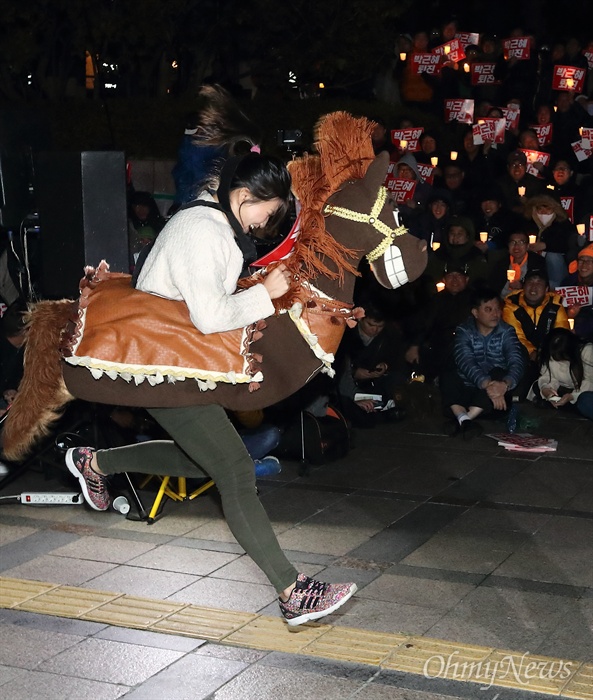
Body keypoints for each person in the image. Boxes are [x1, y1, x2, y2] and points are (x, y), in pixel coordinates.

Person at [64, 87, 357, 628]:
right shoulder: (204, 231)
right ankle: (292, 591)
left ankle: (94, 462)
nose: (258, 228)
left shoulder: (210, 220)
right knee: (235, 473)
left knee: (202, 462)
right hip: (166, 367)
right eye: (260, 218)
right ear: (241, 196)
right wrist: (265, 294)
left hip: (171, 366)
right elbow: (207, 316)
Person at [440, 287, 524, 439]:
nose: (495, 314)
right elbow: (465, 361)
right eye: (488, 309)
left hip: (495, 399)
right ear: (475, 312)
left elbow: (516, 361)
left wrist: (504, 385)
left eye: (497, 309)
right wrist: (487, 384)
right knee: (448, 373)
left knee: (499, 372)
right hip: (470, 391)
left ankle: (463, 419)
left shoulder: (506, 332)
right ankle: (465, 420)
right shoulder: (464, 331)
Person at [336, 305, 407, 427]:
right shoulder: (346, 334)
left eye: (380, 326)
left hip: (375, 383)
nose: (375, 330)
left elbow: (398, 359)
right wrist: (355, 372)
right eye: (371, 325)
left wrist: (385, 366)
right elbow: (341, 370)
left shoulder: (390, 334)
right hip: (349, 384)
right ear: (360, 319)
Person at [503, 267, 570, 396]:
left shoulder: (556, 306)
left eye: (539, 283)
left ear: (546, 289)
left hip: (550, 356)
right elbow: (515, 336)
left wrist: (546, 354)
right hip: (524, 356)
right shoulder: (511, 306)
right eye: (530, 283)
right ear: (523, 286)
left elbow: (562, 333)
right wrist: (533, 353)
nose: (533, 288)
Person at [405, 261, 473, 382]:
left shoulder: (475, 299)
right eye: (450, 276)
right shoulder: (436, 300)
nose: (455, 280)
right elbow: (424, 324)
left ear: (466, 279)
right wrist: (414, 346)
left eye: (459, 276)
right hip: (439, 346)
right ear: (444, 280)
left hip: (468, 346)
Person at [534, 328, 593, 421]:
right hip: (564, 390)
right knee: (537, 387)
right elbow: (547, 377)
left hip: (583, 392)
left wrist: (572, 396)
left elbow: (589, 381)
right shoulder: (547, 352)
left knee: (585, 400)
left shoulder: (586, 351)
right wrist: (547, 391)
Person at [487, 230, 545, 297]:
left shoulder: (537, 262)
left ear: (527, 246)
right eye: (513, 242)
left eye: (521, 242)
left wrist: (522, 285)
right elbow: (492, 286)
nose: (516, 246)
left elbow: (542, 284)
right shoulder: (501, 263)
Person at [562, 244, 593, 342]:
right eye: (581, 260)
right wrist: (569, 314)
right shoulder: (567, 283)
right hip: (567, 332)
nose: (584, 264)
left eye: (589, 261)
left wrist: (579, 331)